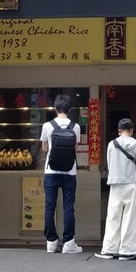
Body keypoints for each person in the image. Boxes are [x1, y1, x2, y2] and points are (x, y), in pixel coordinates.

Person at [95, 118, 136, 261]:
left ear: (119, 130)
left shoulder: (112, 144)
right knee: (130, 217)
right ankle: (127, 251)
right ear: (132, 130)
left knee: (113, 217)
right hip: (132, 183)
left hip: (116, 184)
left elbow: (110, 165)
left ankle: (109, 250)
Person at [40, 94, 82, 254]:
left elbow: (44, 148)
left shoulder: (47, 125)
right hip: (70, 171)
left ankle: (51, 242)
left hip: (51, 171)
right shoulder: (75, 126)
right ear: (70, 109)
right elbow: (75, 148)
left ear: (55, 108)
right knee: (68, 207)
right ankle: (69, 243)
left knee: (49, 207)